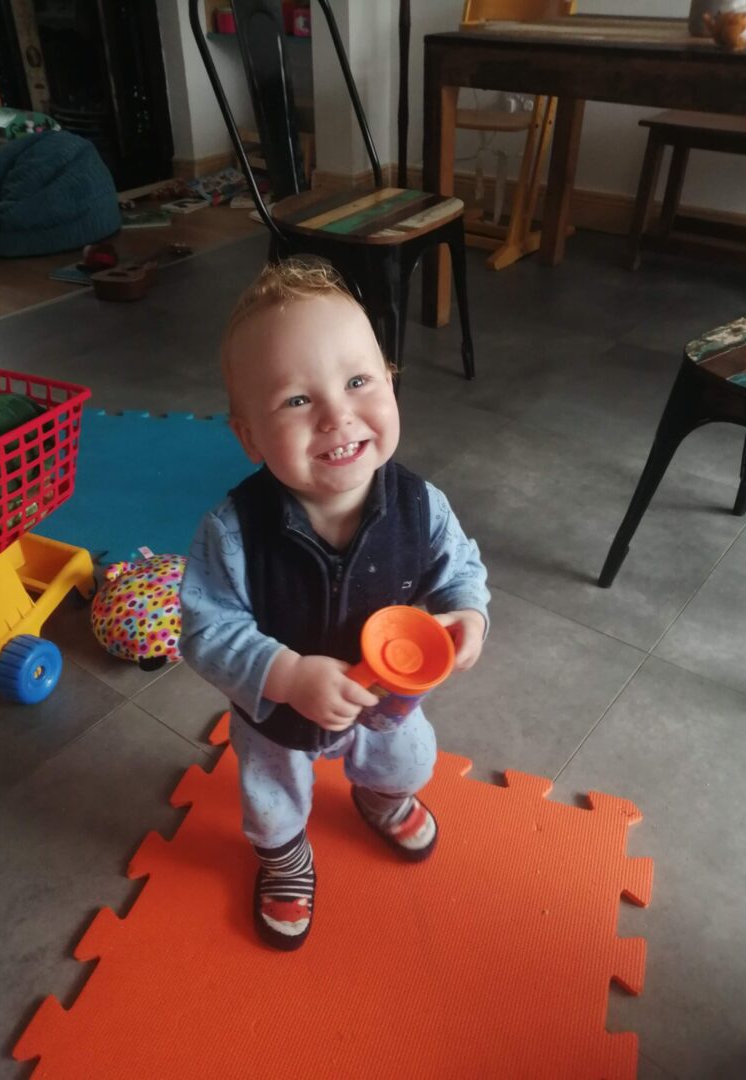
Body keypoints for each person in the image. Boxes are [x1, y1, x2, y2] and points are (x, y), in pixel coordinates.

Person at [179, 259, 489, 951]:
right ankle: (284, 855)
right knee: (270, 793)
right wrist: (286, 674)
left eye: (357, 382)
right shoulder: (231, 532)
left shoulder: (421, 505)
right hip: (279, 714)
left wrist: (467, 614)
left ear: (390, 380)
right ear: (250, 436)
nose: (336, 415)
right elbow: (204, 628)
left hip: (390, 701)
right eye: (296, 400)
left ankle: (380, 798)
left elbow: (459, 568)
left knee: (407, 760)